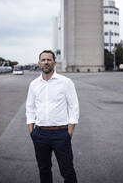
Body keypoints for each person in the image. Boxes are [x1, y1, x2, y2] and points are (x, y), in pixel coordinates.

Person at [26, 50, 79, 183]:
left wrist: (70, 132)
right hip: (40, 134)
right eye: (43, 60)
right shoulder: (34, 84)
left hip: (60, 133)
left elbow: (74, 106)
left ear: (54, 62)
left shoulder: (66, 82)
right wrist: (31, 131)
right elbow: (30, 107)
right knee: (44, 170)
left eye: (49, 59)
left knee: (67, 171)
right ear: (39, 63)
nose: (46, 62)